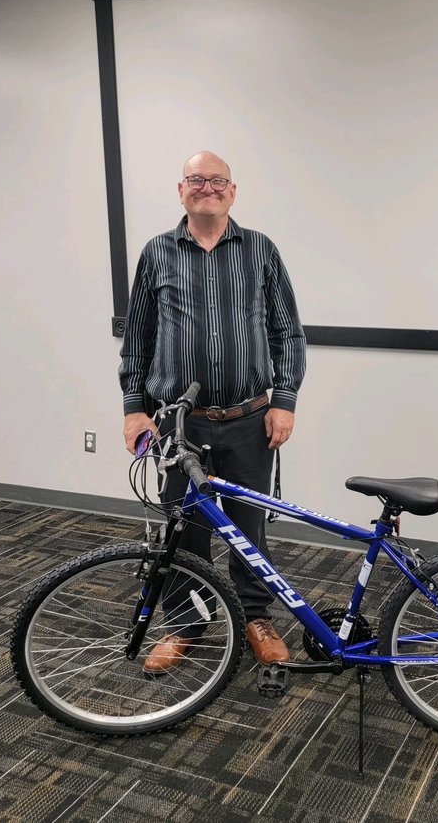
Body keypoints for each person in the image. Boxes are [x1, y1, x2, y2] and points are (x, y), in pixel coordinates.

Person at [119, 151, 306, 673]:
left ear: (233, 191)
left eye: (217, 180)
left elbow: (287, 332)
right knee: (186, 529)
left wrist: (284, 401)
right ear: (181, 191)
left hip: (250, 418)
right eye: (197, 180)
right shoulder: (157, 253)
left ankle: (255, 618)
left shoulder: (261, 251)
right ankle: (187, 624)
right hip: (181, 422)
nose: (208, 187)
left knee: (248, 527)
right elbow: (139, 339)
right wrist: (135, 408)